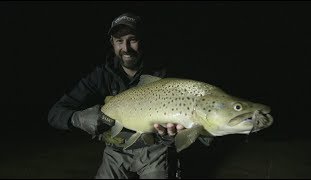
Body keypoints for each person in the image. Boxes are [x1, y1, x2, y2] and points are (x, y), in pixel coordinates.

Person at [48, 12, 213, 179]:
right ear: (112, 43)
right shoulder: (100, 76)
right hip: (115, 153)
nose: (125, 48)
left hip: (154, 152)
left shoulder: (163, 76)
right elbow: (55, 113)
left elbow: (185, 133)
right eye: (119, 41)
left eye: (132, 40)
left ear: (142, 40)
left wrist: (170, 138)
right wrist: (77, 118)